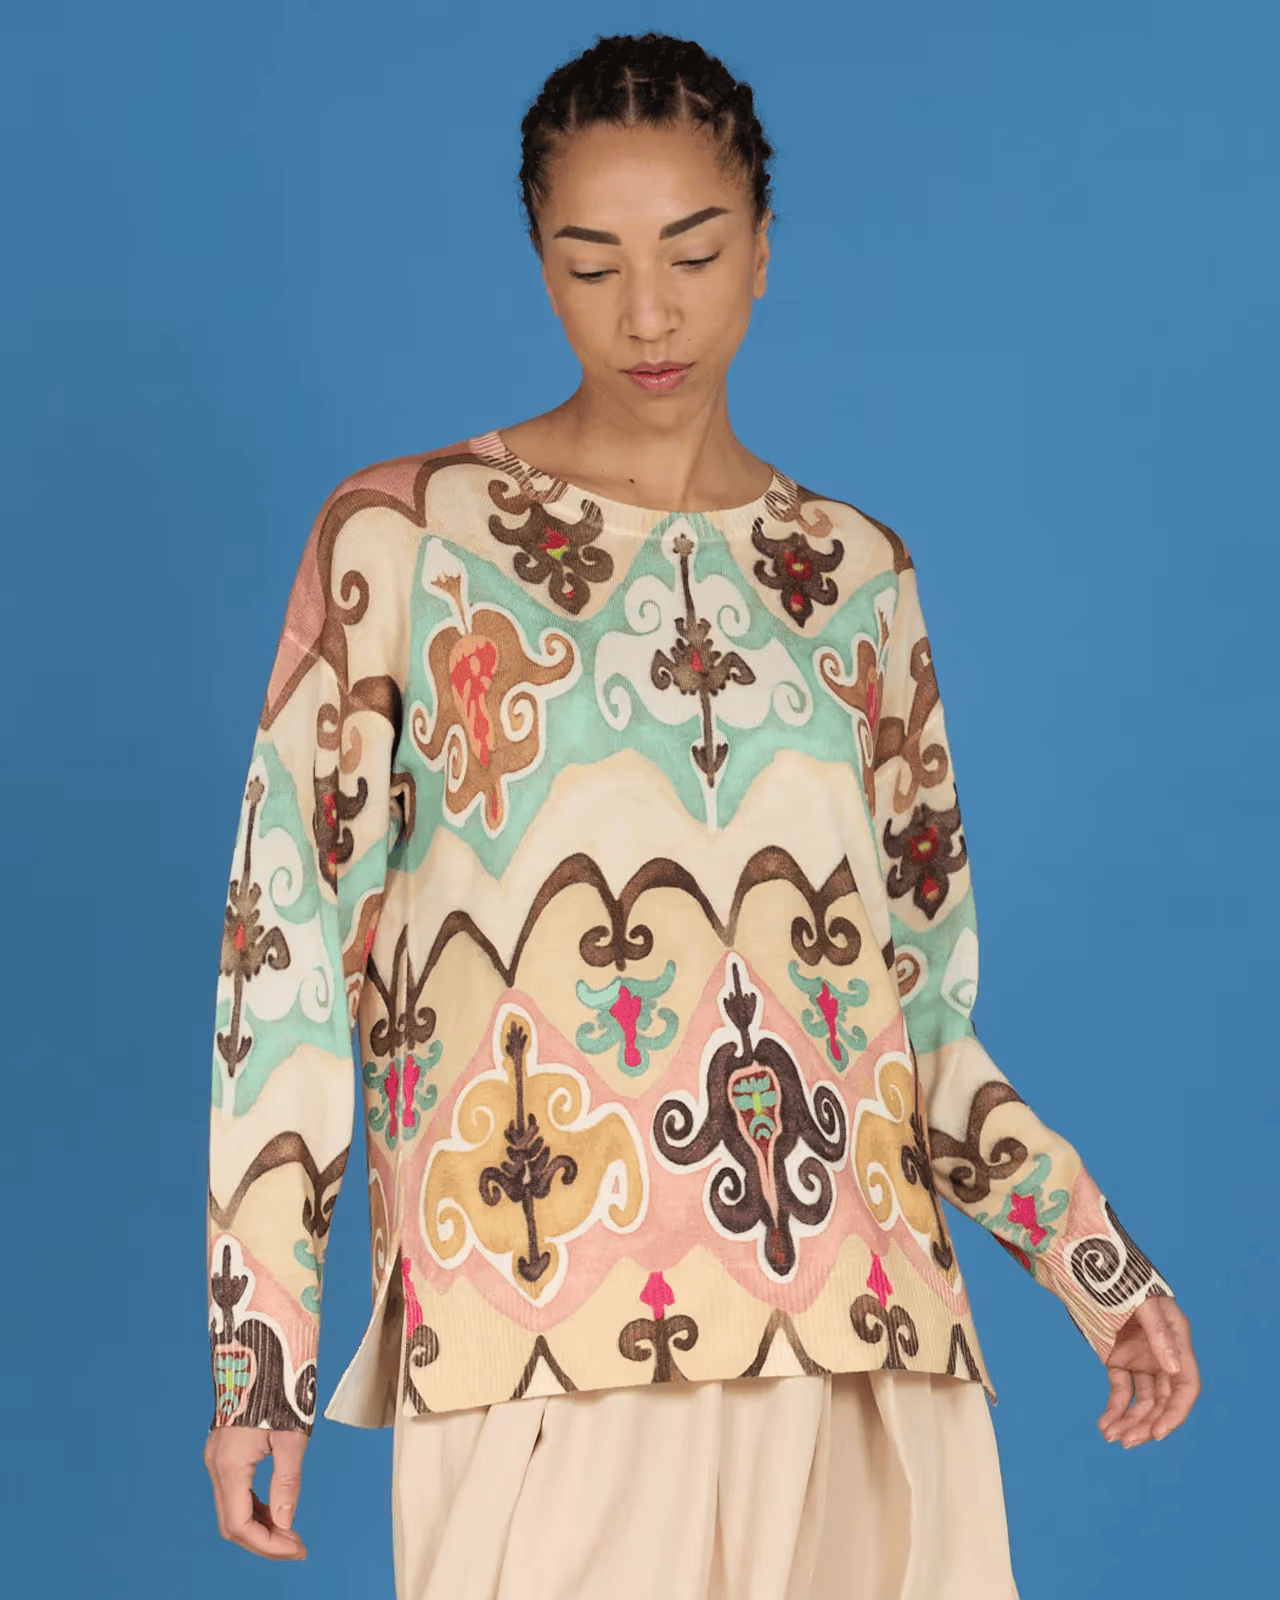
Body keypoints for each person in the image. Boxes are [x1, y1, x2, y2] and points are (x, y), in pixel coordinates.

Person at [203, 30, 1200, 1600]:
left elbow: (919, 1010)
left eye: (693, 252)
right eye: (591, 263)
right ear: (540, 262)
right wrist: (261, 1348)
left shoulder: (856, 578)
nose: (649, 313)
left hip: (866, 1338)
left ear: (763, 250)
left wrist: (1092, 1257)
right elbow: (285, 966)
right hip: (534, 1323)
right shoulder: (403, 543)